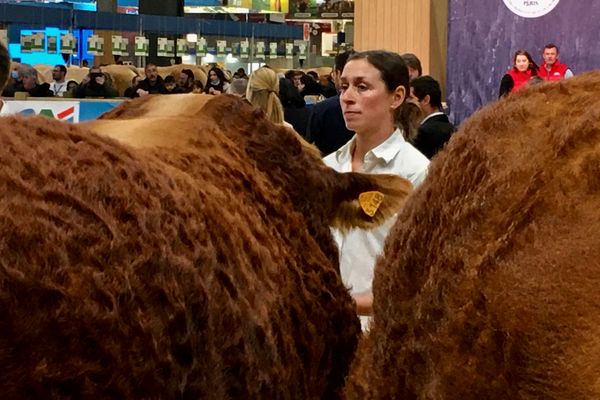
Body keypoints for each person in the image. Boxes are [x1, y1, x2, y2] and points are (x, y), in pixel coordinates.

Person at [323, 50, 429, 329]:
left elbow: (420, 273)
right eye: (344, 86)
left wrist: (350, 304)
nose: (347, 97)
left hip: (383, 334)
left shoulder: (415, 172)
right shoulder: (327, 167)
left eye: (362, 87)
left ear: (396, 97)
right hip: (325, 332)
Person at [306, 50, 356, 156]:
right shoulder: (375, 106)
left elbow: (311, 145)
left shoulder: (322, 109)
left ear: (337, 73)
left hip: (326, 168)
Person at [410, 75, 455, 159]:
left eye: (410, 98)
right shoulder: (453, 129)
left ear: (426, 100)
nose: (407, 103)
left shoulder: (422, 133)